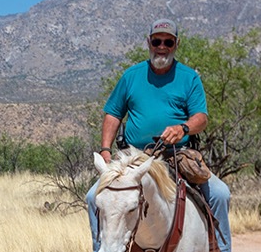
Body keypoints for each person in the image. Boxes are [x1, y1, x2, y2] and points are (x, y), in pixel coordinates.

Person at [85, 19, 232, 252]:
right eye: (157, 41)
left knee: (220, 194)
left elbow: (201, 118)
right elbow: (113, 113)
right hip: (133, 157)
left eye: (168, 41)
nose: (161, 46)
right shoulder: (131, 76)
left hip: (176, 155)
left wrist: (182, 128)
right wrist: (105, 150)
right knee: (94, 197)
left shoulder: (189, 77)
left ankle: (221, 249)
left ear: (176, 44)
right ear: (148, 42)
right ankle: (101, 247)